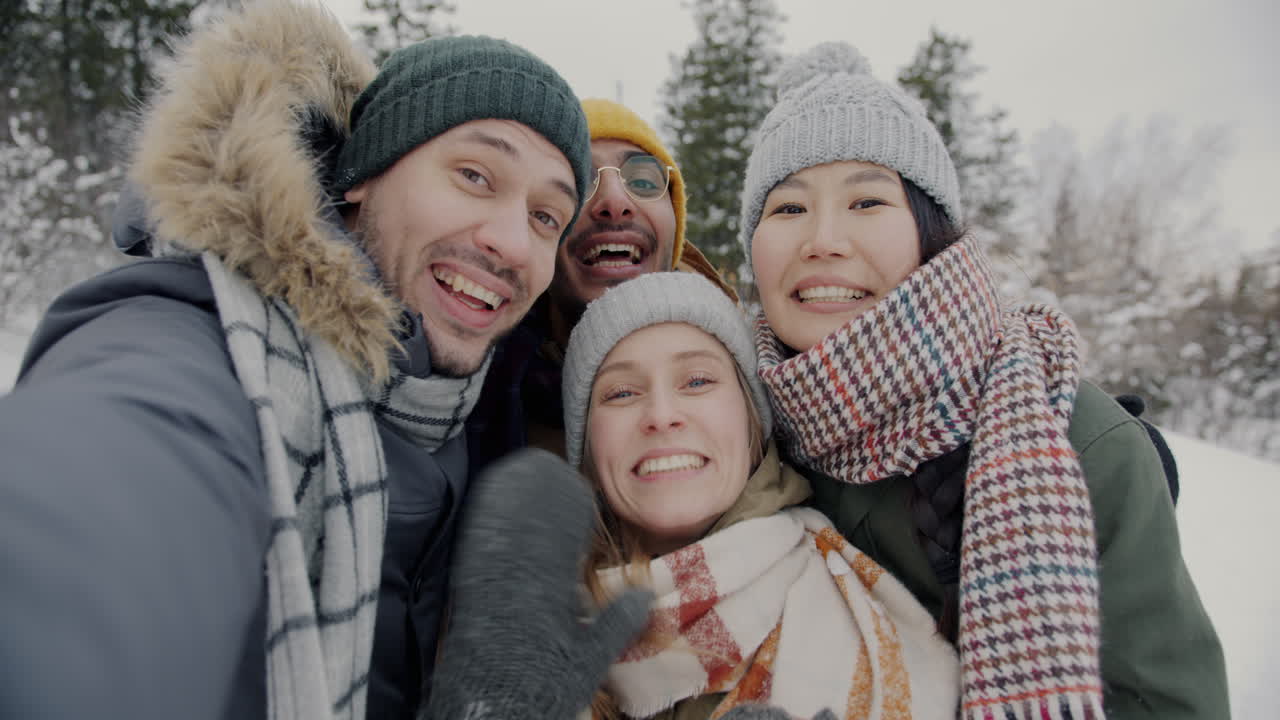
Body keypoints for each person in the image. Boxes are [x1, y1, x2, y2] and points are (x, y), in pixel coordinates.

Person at [0, 1, 646, 718]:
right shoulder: (199, 350)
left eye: (545, 216)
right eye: (474, 175)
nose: (513, 242)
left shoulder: (491, 405)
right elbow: (104, 502)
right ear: (362, 176)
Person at [738, 42, 1228, 719]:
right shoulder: (737, 434)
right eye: (787, 209)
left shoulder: (1081, 444)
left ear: (931, 231)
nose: (823, 239)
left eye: (868, 202)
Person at [561, 272, 961, 720]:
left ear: (753, 423)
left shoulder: (850, 607)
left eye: (696, 381)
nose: (661, 415)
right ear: (588, 451)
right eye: (621, 392)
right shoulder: (524, 627)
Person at [467, 98, 734, 470]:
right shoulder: (465, 397)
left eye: (643, 181)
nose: (614, 201)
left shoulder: (750, 379)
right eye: (579, 182)